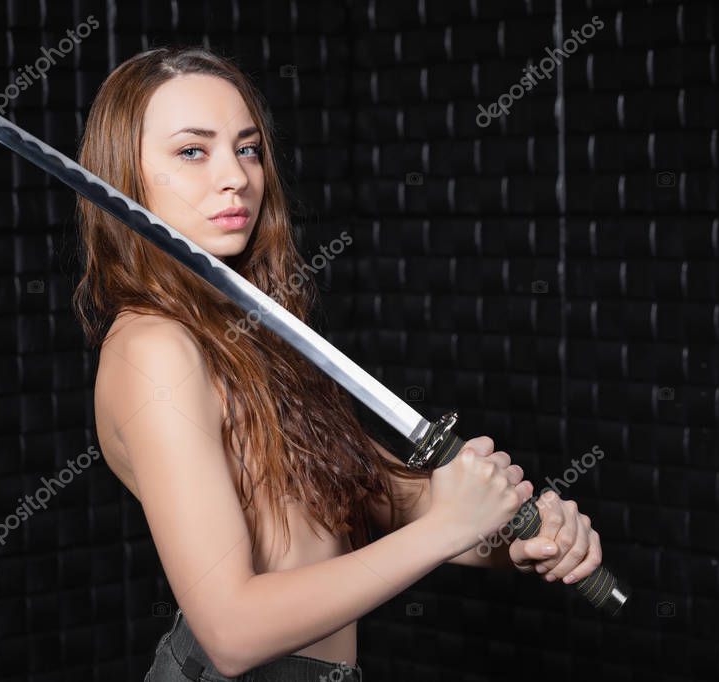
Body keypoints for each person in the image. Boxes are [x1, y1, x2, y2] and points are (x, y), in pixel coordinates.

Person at [71, 45, 603, 681]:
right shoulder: (155, 348)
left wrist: (516, 538)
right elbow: (232, 631)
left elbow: (389, 498)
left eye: (247, 148)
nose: (236, 176)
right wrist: (446, 528)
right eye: (192, 151)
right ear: (124, 178)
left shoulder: (252, 331)